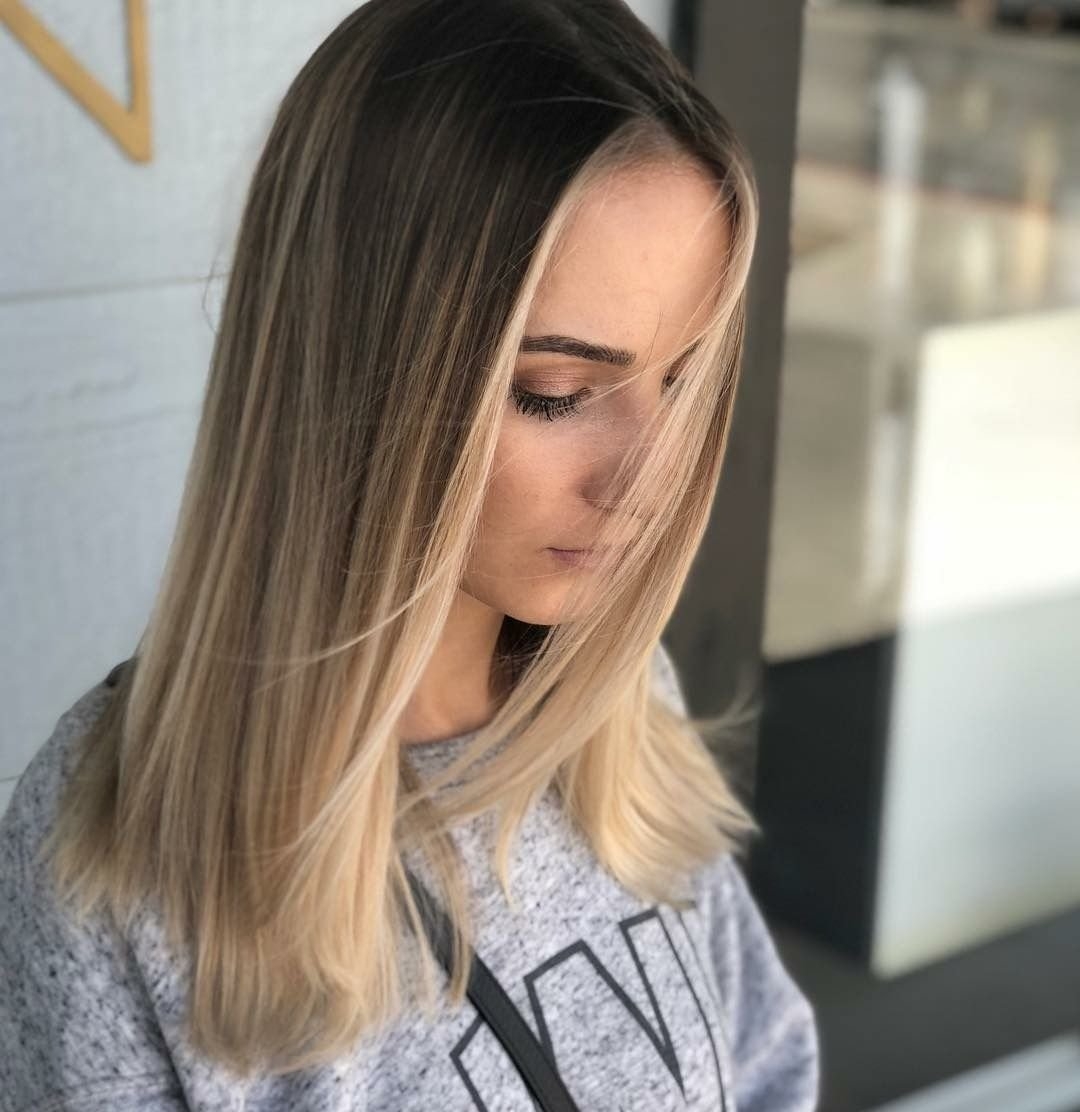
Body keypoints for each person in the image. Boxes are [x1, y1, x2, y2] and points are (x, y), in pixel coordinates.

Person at [0, 0, 821, 1108]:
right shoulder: (117, 858)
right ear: (358, 367)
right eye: (556, 393)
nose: (651, 476)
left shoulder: (622, 721)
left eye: (682, 380)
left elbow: (769, 1069)